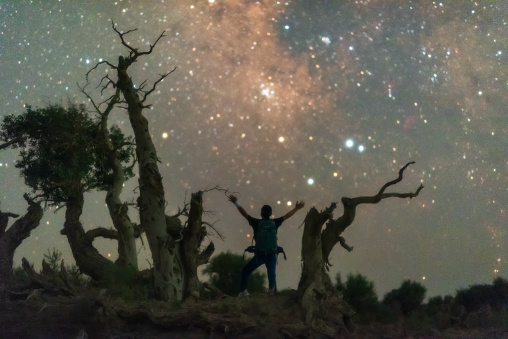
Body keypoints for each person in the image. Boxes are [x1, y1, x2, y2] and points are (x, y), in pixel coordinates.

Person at [228, 194, 305, 297]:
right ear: (270, 214)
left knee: (246, 271)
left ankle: (242, 292)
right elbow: (287, 216)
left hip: (260, 255)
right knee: (271, 275)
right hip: (272, 254)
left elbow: (244, 214)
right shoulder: (275, 222)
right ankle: (272, 294)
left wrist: (236, 202)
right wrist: (296, 208)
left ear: (261, 213)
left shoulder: (256, 223)